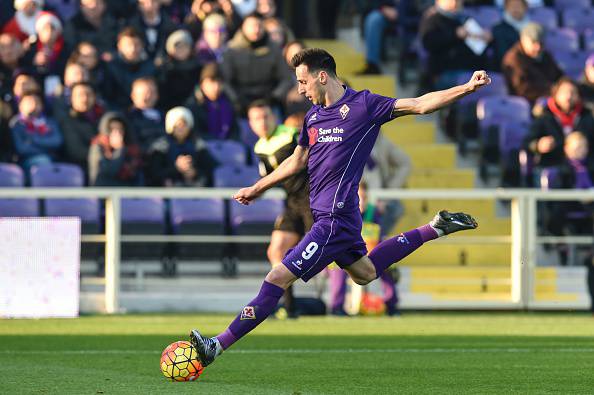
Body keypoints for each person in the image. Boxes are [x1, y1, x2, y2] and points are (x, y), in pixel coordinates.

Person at [189, 48, 488, 365]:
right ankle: (435, 227)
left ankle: (216, 345)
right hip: (330, 217)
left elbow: (419, 104)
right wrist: (258, 187)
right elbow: (297, 160)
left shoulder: (364, 105)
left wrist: (467, 87)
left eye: (303, 82)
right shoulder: (312, 117)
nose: (300, 90)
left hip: (333, 219)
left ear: (322, 76)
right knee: (365, 272)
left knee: (277, 277)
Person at [248, 99, 313, 319]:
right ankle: (289, 306)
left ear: (274, 116)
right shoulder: (259, 147)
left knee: (334, 257)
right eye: (257, 118)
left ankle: (381, 264)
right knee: (275, 251)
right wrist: (257, 192)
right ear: (250, 124)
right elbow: (270, 177)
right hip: (293, 202)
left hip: (314, 198)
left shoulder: (291, 134)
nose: (263, 122)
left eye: (266, 116)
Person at [328, 181, 401, 316]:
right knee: (336, 268)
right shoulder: (342, 210)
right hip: (346, 252)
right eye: (357, 197)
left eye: (363, 196)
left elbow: (378, 234)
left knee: (387, 269)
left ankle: (392, 305)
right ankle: (336, 307)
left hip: (369, 252)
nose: (360, 200)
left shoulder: (373, 212)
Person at [221, 12, 293, 114]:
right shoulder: (231, 51)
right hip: (240, 103)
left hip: (269, 102)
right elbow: (225, 81)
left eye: (259, 25)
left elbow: (286, 78)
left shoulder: (274, 50)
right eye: (251, 26)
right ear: (243, 27)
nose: (256, 30)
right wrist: (236, 99)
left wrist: (275, 97)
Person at [524, 77, 594, 169]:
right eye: (564, 92)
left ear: (578, 96)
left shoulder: (587, 116)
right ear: (555, 94)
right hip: (552, 167)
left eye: (573, 92)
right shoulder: (545, 116)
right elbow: (527, 143)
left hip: (585, 168)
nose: (568, 97)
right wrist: (538, 145)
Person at [146, 106, 218, 187]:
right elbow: (154, 173)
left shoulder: (198, 145)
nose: (181, 129)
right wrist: (176, 169)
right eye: (177, 125)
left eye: (184, 125)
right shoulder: (160, 146)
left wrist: (195, 172)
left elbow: (210, 168)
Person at [502, 22, 563, 105]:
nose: (538, 47)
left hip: (550, 98)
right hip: (525, 104)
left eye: (541, 43)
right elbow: (523, 90)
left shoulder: (545, 55)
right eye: (533, 42)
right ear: (523, 39)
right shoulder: (513, 59)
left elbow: (559, 75)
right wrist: (555, 92)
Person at [10, 91, 63, 174]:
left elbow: (57, 141)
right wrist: (47, 148)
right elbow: (21, 149)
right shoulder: (16, 124)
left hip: (52, 159)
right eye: (29, 102)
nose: (34, 104)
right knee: (44, 160)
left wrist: (33, 139)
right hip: (26, 161)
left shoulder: (50, 122)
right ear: (20, 106)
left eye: (37, 101)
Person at [184, 62, 239, 141]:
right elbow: (195, 133)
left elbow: (235, 130)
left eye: (219, 82)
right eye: (211, 82)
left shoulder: (229, 102)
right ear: (202, 84)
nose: (216, 87)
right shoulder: (194, 105)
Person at [102, 27, 155, 109]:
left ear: (142, 45)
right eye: (128, 44)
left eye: (136, 44)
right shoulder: (110, 67)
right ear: (119, 46)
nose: (133, 49)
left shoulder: (151, 67)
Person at [88, 111, 142, 186]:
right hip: (103, 192)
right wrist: (119, 149)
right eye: (112, 129)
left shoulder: (131, 150)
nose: (117, 133)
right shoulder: (98, 147)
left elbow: (137, 177)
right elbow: (109, 171)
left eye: (120, 129)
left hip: (127, 191)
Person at [156, 30, 201, 111]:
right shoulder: (164, 68)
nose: (181, 49)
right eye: (177, 46)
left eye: (185, 46)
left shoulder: (198, 67)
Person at [126, 76, 164, 152]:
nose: (149, 96)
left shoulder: (165, 116)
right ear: (133, 95)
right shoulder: (128, 118)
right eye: (145, 93)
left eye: (152, 92)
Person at [491, 0, 529, 71]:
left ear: (525, 7)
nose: (516, 9)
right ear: (506, 8)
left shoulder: (533, 29)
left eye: (519, 6)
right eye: (512, 6)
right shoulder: (498, 29)